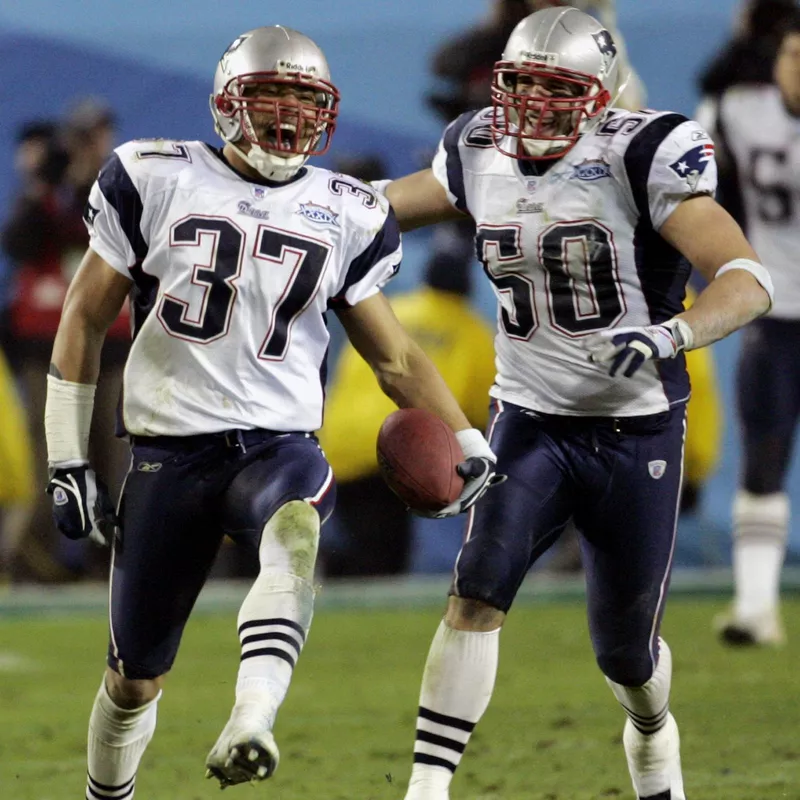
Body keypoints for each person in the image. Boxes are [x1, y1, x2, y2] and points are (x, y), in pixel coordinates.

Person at [42, 25, 500, 796]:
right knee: (132, 682)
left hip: (277, 444)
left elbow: (395, 356)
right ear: (227, 103)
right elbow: (84, 319)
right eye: (270, 95)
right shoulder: (154, 175)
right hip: (167, 448)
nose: (289, 116)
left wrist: (464, 436)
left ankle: (252, 717)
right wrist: (66, 457)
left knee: (294, 529)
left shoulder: (345, 208)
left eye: (304, 98)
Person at [377, 8, 773, 799]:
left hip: (636, 432)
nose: (532, 107)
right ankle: (426, 788)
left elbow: (748, 282)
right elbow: (377, 207)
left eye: (557, 91)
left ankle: (654, 735)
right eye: (519, 85)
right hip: (529, 419)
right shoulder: (478, 147)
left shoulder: (643, 153)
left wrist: (672, 335)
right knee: (476, 589)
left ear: (599, 97)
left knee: (626, 653)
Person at [702, 13, 800, 647]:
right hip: (778, 312)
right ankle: (756, 605)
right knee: (762, 459)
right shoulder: (740, 109)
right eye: (792, 53)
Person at [319, 249, 496, 578]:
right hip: (402, 449)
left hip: (341, 443)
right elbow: (482, 413)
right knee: (382, 558)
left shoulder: (392, 313)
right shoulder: (473, 331)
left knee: (357, 545)